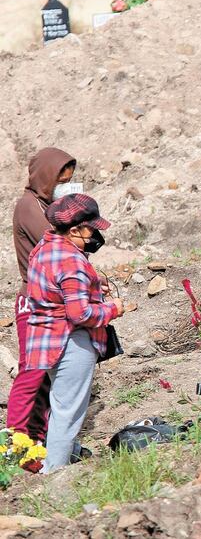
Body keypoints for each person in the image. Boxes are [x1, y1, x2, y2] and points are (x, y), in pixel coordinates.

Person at [26, 193, 125, 472]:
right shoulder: (72, 260)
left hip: (46, 339)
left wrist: (93, 284)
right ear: (74, 230)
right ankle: (54, 474)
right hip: (70, 340)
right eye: (91, 229)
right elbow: (80, 314)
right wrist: (114, 309)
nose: (94, 234)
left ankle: (64, 456)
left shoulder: (45, 248)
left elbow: (54, 288)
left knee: (60, 403)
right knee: (68, 410)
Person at [8, 148, 78, 444]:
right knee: (32, 374)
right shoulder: (28, 207)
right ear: (47, 179)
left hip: (49, 300)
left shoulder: (42, 205)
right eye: (60, 182)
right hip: (34, 301)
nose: (63, 187)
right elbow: (59, 244)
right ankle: (16, 439)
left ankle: (38, 437)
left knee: (44, 375)